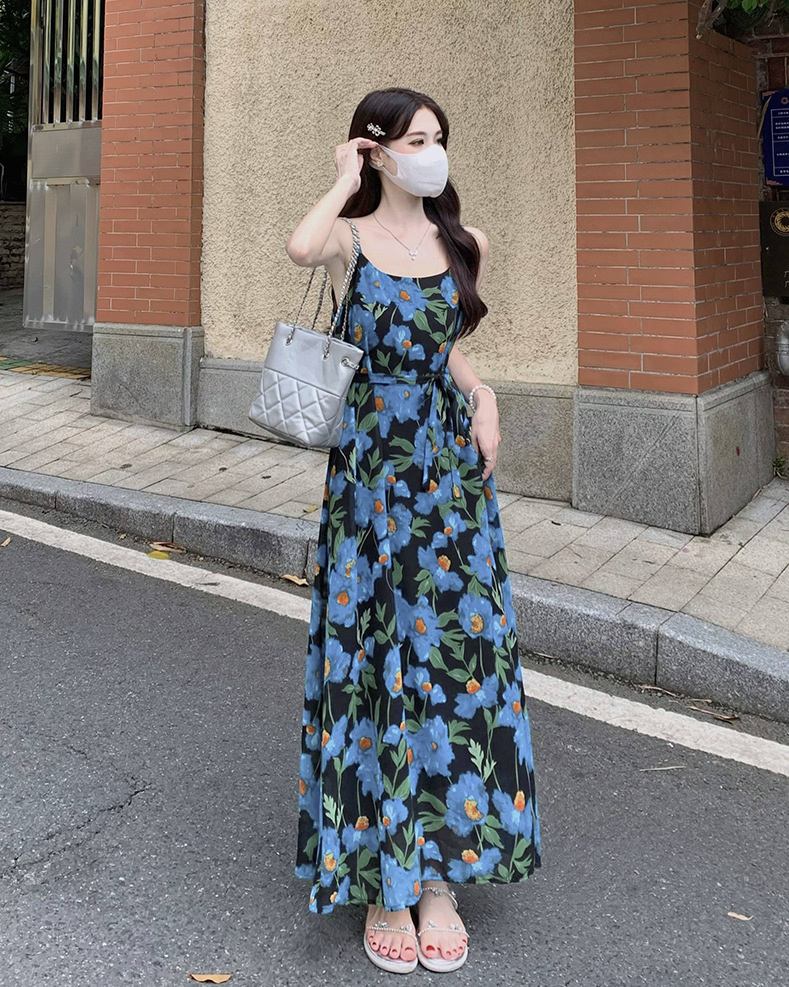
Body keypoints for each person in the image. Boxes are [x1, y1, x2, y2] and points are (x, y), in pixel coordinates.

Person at [287, 86, 542, 974]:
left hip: (448, 483)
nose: (430, 152)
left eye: (437, 137)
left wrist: (483, 392)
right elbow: (299, 246)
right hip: (369, 481)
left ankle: (440, 876)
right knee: (375, 661)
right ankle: (385, 882)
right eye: (412, 140)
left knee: (452, 662)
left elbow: (442, 346)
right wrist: (341, 176)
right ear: (376, 150)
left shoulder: (466, 244)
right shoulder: (348, 241)